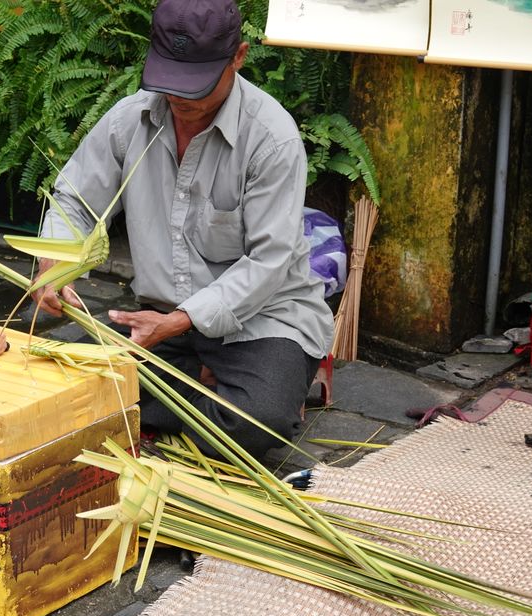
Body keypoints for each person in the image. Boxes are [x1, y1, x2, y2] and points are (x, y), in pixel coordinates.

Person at [32, 0, 333, 460]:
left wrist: (181, 320)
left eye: (197, 86)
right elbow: (73, 197)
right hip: (160, 319)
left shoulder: (272, 139)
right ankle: (200, 382)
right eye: (171, 83)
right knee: (59, 385)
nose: (181, 100)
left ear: (239, 57)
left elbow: (269, 261)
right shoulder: (129, 119)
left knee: (260, 423)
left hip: (262, 319)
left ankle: (201, 388)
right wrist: (52, 263)